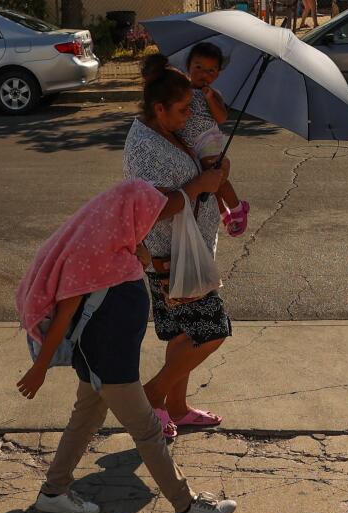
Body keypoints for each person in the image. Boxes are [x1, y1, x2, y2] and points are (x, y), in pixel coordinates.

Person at [15, 177, 237, 513]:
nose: (151, 224)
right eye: (148, 217)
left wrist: (143, 255)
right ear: (128, 215)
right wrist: (40, 367)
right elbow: (66, 312)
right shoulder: (94, 257)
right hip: (108, 361)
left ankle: (54, 491)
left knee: (85, 417)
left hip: (104, 359)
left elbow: (139, 263)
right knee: (148, 430)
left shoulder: (117, 244)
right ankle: (186, 506)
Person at [125, 60, 231, 441]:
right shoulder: (146, 149)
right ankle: (153, 393)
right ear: (159, 108)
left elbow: (193, 175)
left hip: (181, 254)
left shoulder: (165, 131)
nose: (190, 115)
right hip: (172, 258)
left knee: (183, 334)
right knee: (212, 331)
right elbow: (152, 208)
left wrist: (213, 173)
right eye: (183, 109)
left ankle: (178, 408)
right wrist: (200, 185)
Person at [142, 51, 249, 237]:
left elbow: (222, 117)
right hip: (193, 143)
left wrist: (210, 98)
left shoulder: (211, 94)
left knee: (215, 174)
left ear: (217, 74)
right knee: (210, 180)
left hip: (207, 139)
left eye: (211, 70)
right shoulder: (181, 90)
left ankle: (237, 207)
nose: (204, 74)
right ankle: (223, 211)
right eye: (198, 67)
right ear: (189, 67)